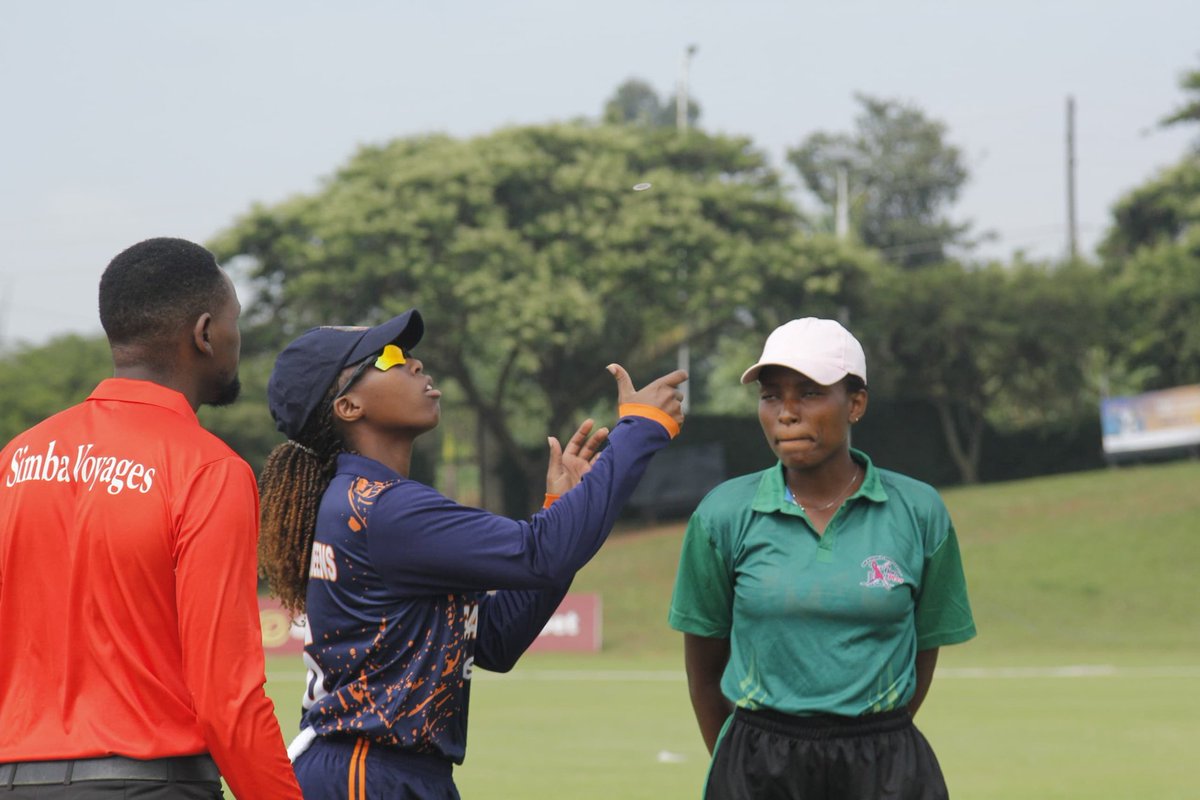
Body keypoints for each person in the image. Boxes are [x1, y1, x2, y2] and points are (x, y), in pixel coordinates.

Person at [257, 309, 687, 799]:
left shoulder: (370, 500)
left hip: (393, 772)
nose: (415, 364)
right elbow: (541, 552)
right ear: (349, 406)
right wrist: (641, 428)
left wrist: (563, 508)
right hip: (368, 773)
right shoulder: (384, 508)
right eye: (391, 356)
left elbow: (497, 639)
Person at [0, 238, 302, 798]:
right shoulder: (209, 470)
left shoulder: (14, 459)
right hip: (148, 783)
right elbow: (227, 697)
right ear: (205, 333)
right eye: (236, 320)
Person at [668, 317, 976, 800]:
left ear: (855, 403)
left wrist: (871, 743)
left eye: (809, 392)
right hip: (758, 763)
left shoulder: (918, 510)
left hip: (887, 765)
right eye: (771, 396)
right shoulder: (723, 514)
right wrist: (745, 765)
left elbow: (922, 651)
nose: (786, 412)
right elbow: (704, 672)